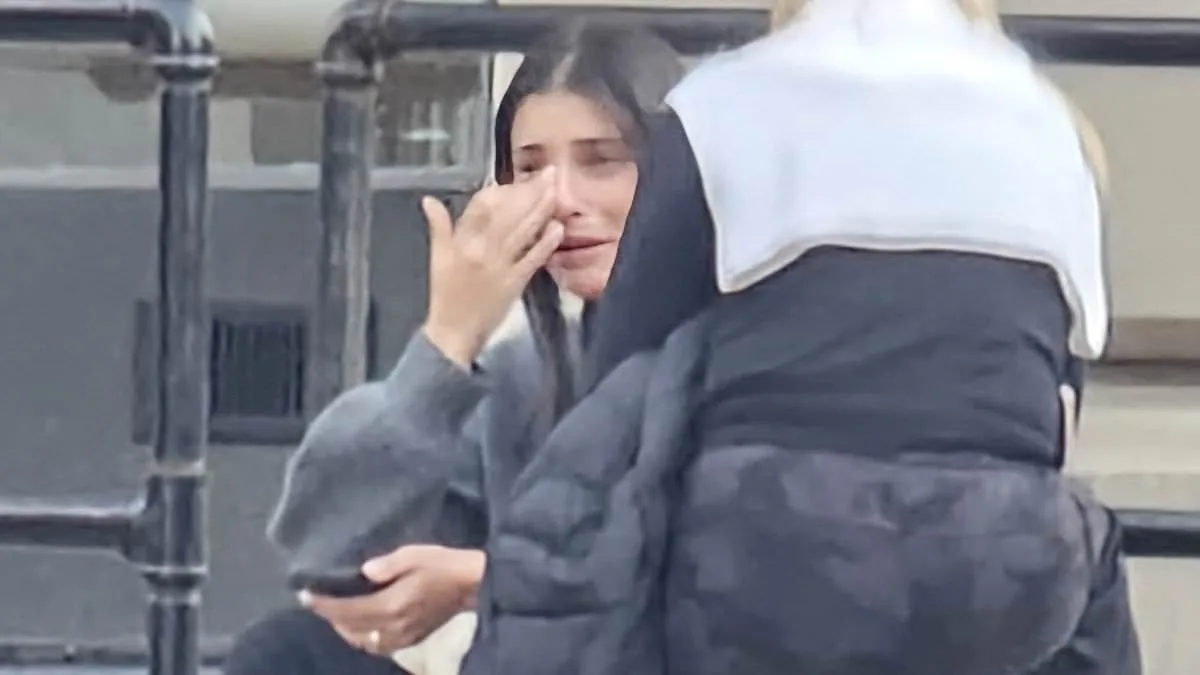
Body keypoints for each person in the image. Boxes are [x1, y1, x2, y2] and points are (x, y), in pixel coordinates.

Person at [460, 0, 1141, 674]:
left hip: (766, 549)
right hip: (1000, 562)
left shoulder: (722, 104)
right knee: (1085, 548)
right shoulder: (1055, 125)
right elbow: (1059, 406)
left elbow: (624, 381)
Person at [222, 20, 684, 675]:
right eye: (530, 168)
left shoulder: (746, 355)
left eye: (602, 161)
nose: (560, 199)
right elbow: (327, 555)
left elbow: (734, 585)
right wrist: (447, 341)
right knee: (289, 651)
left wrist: (483, 579)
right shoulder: (526, 375)